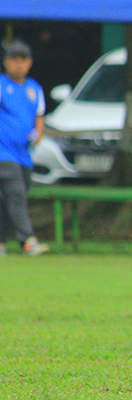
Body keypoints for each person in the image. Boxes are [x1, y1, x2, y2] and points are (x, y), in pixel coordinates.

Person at [0, 39, 49, 256]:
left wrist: (37, 134)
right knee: (16, 194)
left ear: (29, 62)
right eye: (14, 60)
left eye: (23, 60)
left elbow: (39, 117)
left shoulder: (34, 89)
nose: (18, 65)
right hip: (3, 153)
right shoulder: (1, 85)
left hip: (24, 155)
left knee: (10, 200)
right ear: (5, 62)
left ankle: (1, 243)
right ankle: (28, 240)